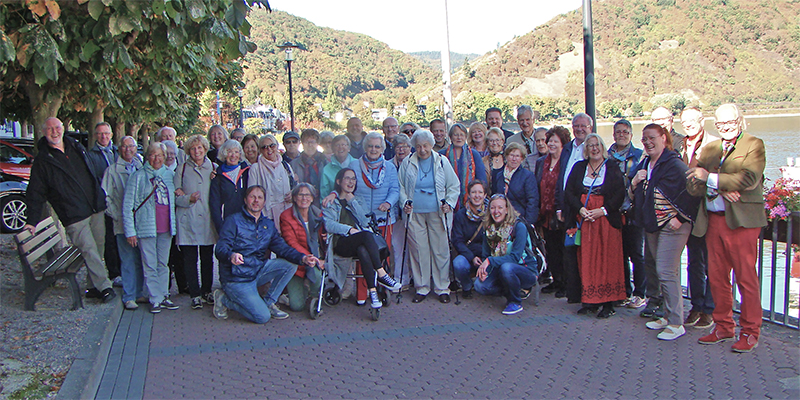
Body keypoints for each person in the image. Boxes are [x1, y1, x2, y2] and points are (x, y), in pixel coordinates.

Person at [687, 104, 767, 353]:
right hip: (713, 220)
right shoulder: (709, 148)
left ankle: (750, 331)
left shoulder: (754, 145)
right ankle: (723, 326)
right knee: (718, 277)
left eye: (730, 123)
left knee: (746, 278)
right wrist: (720, 186)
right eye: (721, 124)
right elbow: (691, 181)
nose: (726, 128)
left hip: (742, 223)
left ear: (741, 120)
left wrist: (709, 178)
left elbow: (749, 179)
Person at [25, 118, 116, 303]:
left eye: (57, 127)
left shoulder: (75, 146)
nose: (54, 131)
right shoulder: (43, 161)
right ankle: (105, 286)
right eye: (50, 128)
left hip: (94, 207)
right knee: (89, 250)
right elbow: (35, 192)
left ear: (63, 129)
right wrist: (31, 220)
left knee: (98, 249)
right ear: (44, 132)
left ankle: (92, 288)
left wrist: (100, 196)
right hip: (73, 215)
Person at [213, 186, 320, 323]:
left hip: (257, 270)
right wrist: (231, 255)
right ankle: (223, 299)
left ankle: (269, 302)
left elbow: (282, 248)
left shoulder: (267, 225)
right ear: (245, 200)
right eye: (252, 197)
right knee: (262, 317)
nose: (256, 201)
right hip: (236, 278)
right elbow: (220, 249)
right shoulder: (233, 221)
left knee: (289, 265)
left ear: (264, 202)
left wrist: (303, 257)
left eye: (260, 197)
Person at [631, 124, 700, 340]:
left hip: (673, 225)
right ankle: (667, 315)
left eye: (652, 138)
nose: (648, 143)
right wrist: (634, 182)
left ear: (663, 138)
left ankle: (676, 323)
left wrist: (681, 217)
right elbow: (635, 194)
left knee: (666, 270)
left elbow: (694, 192)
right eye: (644, 139)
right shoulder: (646, 164)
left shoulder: (674, 164)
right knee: (655, 267)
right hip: (653, 224)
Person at [564, 133, 626, 319]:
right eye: (590, 145)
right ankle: (590, 301)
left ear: (603, 147)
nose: (594, 148)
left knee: (607, 261)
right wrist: (581, 209)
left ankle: (609, 303)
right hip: (585, 221)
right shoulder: (579, 167)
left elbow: (619, 194)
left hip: (605, 221)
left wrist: (604, 210)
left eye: (597, 144)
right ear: (586, 149)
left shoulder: (612, 167)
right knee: (587, 261)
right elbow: (569, 192)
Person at [323, 169, 401, 310]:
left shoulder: (358, 200)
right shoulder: (331, 201)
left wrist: (351, 200)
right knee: (366, 236)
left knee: (363, 249)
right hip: (340, 243)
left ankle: (372, 293)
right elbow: (328, 224)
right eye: (347, 178)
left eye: (353, 179)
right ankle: (382, 273)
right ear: (338, 181)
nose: (351, 182)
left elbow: (365, 222)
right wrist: (349, 230)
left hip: (358, 242)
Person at [398, 130, 460, 304]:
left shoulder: (442, 161)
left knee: (440, 250)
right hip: (414, 212)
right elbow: (400, 185)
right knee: (419, 251)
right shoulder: (407, 163)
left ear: (431, 145)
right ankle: (422, 287)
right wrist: (404, 202)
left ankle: (442, 288)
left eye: (425, 146)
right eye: (418, 146)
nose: (422, 149)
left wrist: (449, 202)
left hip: (438, 212)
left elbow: (454, 185)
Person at [122, 142, 178, 313]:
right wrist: (130, 231)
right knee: (150, 264)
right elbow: (127, 206)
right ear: (147, 157)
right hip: (146, 227)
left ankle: (163, 294)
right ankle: (154, 298)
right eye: (153, 155)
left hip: (166, 226)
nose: (156, 158)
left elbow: (175, 199)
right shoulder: (138, 177)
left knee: (164, 263)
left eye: (160, 155)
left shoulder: (169, 175)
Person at [679, 107, 718, 329]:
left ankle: (709, 309)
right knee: (693, 262)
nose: (689, 125)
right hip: (687, 211)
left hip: (707, 210)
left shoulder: (714, 143)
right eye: (685, 122)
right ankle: (696, 305)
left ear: (702, 120)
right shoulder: (680, 145)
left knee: (709, 262)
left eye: (692, 121)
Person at [174, 135, 218, 310]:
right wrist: (188, 199)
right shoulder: (182, 169)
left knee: (207, 257)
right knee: (190, 259)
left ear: (205, 149)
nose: (196, 151)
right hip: (188, 219)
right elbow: (175, 197)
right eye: (193, 149)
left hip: (207, 219)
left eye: (200, 148)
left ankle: (207, 290)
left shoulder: (214, 167)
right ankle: (194, 294)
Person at [475, 194, 538, 314]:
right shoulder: (488, 229)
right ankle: (512, 288)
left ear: (507, 210)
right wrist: (485, 271)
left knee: (507, 267)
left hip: (524, 269)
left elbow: (515, 257)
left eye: (500, 208)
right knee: (479, 285)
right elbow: (486, 255)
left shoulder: (518, 226)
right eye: (493, 208)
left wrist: (489, 261)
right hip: (500, 269)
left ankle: (515, 302)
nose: (496, 211)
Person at [607, 119, 647, 309]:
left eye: (625, 132)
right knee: (619, 253)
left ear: (631, 134)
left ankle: (641, 292)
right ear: (613, 135)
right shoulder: (608, 157)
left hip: (634, 211)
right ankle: (624, 291)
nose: (621, 135)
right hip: (615, 211)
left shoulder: (639, 156)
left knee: (636, 253)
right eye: (618, 132)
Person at [102, 136, 144, 310]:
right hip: (122, 223)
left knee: (140, 259)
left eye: (131, 146)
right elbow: (105, 197)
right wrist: (116, 215)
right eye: (124, 146)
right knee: (127, 259)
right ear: (119, 149)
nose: (128, 149)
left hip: (141, 223)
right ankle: (129, 296)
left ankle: (140, 293)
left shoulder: (141, 166)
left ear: (136, 148)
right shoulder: (112, 171)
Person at [557, 112, 592, 305]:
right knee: (570, 250)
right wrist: (559, 207)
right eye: (576, 126)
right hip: (568, 209)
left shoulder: (593, 147)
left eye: (583, 126)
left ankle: (589, 290)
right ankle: (574, 293)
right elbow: (560, 178)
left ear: (590, 128)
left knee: (587, 250)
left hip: (587, 209)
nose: (579, 129)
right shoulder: (568, 148)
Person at [535, 126, 571, 297]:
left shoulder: (568, 161)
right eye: (550, 141)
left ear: (563, 143)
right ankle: (555, 280)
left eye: (555, 141)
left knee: (564, 248)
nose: (551, 144)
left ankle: (566, 283)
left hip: (561, 212)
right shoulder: (541, 162)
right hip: (545, 213)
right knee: (550, 248)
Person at [280, 183, 325, 313]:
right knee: (296, 306)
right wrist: (310, 258)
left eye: (307, 195)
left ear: (312, 198)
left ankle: (315, 297)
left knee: (317, 276)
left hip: (314, 260)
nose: (304, 198)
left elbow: (323, 240)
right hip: (296, 261)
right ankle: (302, 288)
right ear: (294, 198)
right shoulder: (286, 216)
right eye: (300, 194)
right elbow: (291, 242)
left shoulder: (319, 215)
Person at [87, 122, 122, 285]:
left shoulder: (118, 151)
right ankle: (114, 272)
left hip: (121, 200)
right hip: (104, 202)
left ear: (111, 135)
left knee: (121, 236)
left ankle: (124, 270)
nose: (104, 136)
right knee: (109, 238)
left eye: (106, 133)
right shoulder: (91, 155)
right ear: (95, 136)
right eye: (100, 133)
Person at [348, 131, 399, 231]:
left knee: (385, 246)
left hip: (384, 219)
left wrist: (388, 203)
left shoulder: (390, 167)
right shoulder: (354, 165)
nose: (373, 149)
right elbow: (345, 187)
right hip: (360, 218)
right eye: (370, 146)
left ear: (382, 149)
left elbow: (395, 190)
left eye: (377, 147)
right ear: (365, 147)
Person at [248, 134, 296, 225]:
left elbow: (293, 186)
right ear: (260, 150)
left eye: (272, 145)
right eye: (264, 147)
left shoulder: (285, 166)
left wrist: (293, 193)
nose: (269, 149)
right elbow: (251, 194)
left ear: (277, 146)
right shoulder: (255, 168)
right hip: (265, 217)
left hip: (286, 214)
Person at [452, 180, 488, 298]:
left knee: (481, 286)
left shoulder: (491, 214)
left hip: (487, 255)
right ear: (469, 194)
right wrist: (471, 257)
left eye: (480, 192)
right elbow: (457, 240)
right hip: (469, 254)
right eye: (473, 192)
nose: (477, 195)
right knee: (458, 263)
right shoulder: (461, 215)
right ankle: (466, 286)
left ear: (485, 195)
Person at [491, 142, 539, 225]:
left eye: (517, 156)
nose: (514, 159)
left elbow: (532, 202)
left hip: (519, 220)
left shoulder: (527, 176)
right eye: (512, 155)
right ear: (506, 156)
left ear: (522, 159)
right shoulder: (499, 175)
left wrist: (528, 223)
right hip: (501, 219)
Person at [440, 123, 487, 207]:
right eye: (456, 135)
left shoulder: (473, 154)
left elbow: (481, 179)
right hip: (447, 199)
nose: (459, 138)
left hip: (470, 200)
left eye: (462, 135)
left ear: (466, 137)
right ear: (450, 137)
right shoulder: (442, 155)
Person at [210, 139, 250, 233]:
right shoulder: (218, 175)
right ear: (224, 153)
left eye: (236, 152)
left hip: (245, 222)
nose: (233, 155)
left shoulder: (247, 172)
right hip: (227, 223)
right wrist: (220, 226)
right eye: (229, 152)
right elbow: (214, 204)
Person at [390, 134, 413, 289]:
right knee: (397, 245)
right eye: (398, 146)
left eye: (404, 146)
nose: (401, 149)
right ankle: (400, 278)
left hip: (414, 211)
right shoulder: (389, 165)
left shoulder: (415, 163)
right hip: (395, 212)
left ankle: (416, 278)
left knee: (415, 246)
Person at [291, 129, 327, 202]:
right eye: (307, 142)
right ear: (302, 144)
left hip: (320, 200)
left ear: (317, 143)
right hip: (301, 201)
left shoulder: (325, 162)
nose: (310, 145)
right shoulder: (293, 164)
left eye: (312, 142)